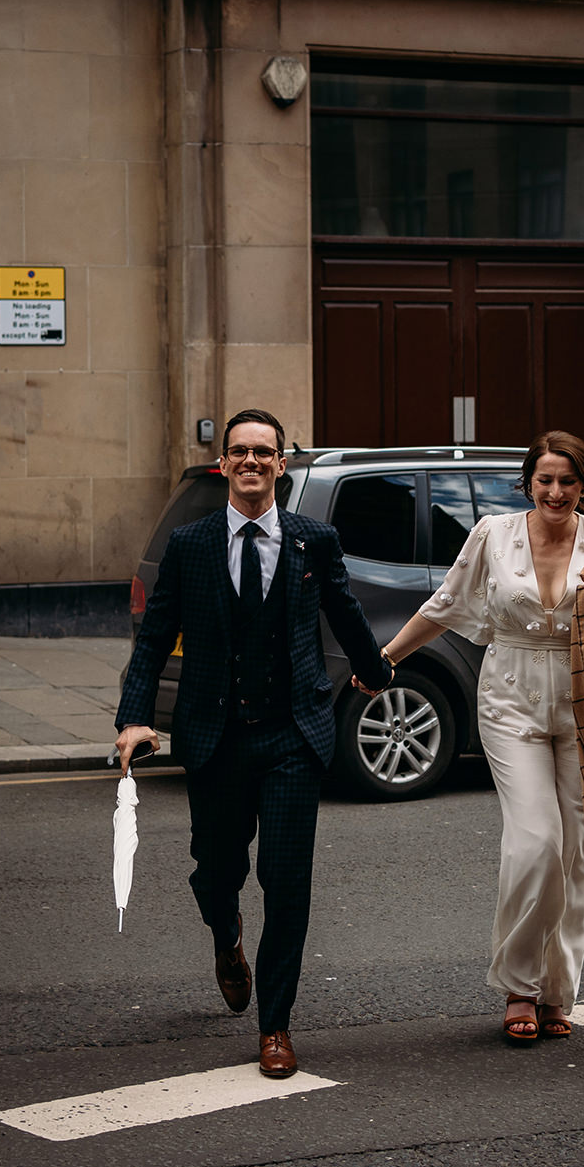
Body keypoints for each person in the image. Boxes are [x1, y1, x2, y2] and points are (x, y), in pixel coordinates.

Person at [114, 407, 393, 1080]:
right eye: (238, 452)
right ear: (224, 464)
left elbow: (343, 609)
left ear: (281, 465)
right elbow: (153, 639)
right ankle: (227, 937)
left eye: (262, 453)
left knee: (286, 880)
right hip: (214, 737)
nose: (249, 462)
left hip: (294, 733)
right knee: (215, 871)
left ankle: (275, 1026)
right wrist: (134, 717)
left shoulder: (311, 539)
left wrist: (375, 668)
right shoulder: (191, 545)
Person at [367, 430, 584, 1044]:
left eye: (567, 481)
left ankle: (556, 993)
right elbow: (444, 605)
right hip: (510, 699)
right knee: (535, 842)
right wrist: (385, 661)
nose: (555, 491)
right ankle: (520, 984)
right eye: (545, 479)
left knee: (576, 854)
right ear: (528, 483)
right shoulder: (493, 534)